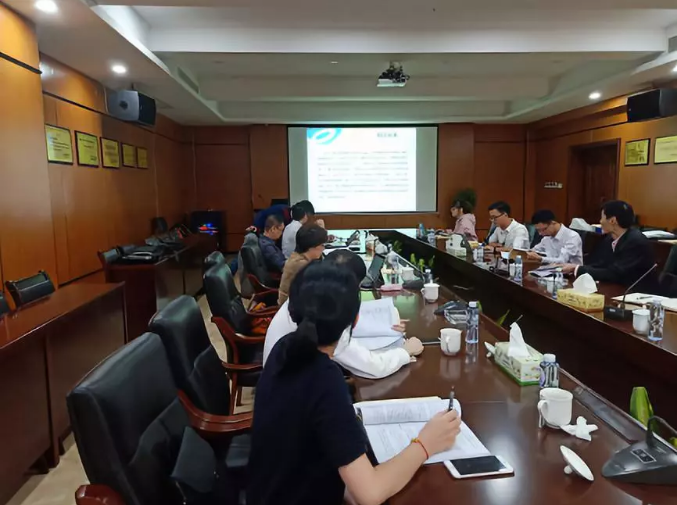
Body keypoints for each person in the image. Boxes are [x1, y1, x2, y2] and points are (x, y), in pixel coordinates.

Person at [248, 261, 461, 505]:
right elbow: (370, 494)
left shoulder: (284, 349)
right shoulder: (324, 379)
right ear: (356, 320)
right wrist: (426, 443)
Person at [264, 249, 424, 379]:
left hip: (279, 384)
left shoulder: (309, 293)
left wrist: (385, 324)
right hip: (294, 395)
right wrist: (405, 351)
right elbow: (372, 366)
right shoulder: (323, 319)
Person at [559, 200, 659, 292]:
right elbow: (599, 263)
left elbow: (616, 274)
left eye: (602, 217)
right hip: (616, 289)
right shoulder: (609, 239)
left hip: (637, 294)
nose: (600, 221)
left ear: (612, 220)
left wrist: (577, 269)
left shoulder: (636, 242)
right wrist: (574, 268)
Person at [278, 223, 328, 304]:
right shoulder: (302, 265)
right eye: (322, 245)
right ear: (311, 247)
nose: (323, 248)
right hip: (291, 306)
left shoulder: (297, 255)